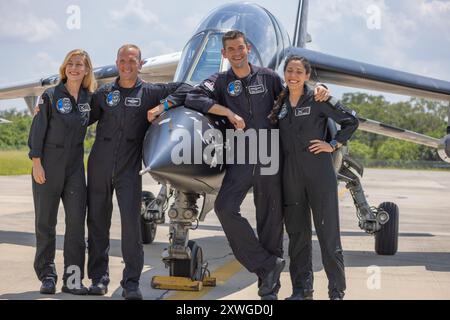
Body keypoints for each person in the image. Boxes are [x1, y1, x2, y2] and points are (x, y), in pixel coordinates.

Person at [185, 30, 330, 300]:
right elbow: (194, 97)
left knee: (270, 225)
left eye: (240, 47)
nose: (237, 53)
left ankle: (268, 290)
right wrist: (226, 111)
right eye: (231, 49)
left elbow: (293, 96)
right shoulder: (220, 81)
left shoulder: (269, 77)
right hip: (240, 156)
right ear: (224, 54)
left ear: (247, 48)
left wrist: (318, 91)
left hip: (269, 156)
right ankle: (267, 265)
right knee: (224, 208)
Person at [86, 44, 192, 300]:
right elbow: (82, 116)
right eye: (122, 60)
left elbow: (186, 88)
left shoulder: (151, 92)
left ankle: (131, 283)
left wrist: (162, 107)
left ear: (140, 64)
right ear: (117, 62)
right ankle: (98, 279)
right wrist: (46, 110)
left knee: (131, 227)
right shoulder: (103, 93)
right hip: (99, 163)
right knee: (97, 223)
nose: (127, 65)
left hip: (128, 168)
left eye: (132, 61)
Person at [269, 55, 359, 300]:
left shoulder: (319, 99)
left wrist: (333, 144)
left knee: (328, 237)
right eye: (289, 71)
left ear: (307, 76)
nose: (293, 76)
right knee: (297, 238)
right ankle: (302, 291)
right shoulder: (280, 103)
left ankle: (336, 292)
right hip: (291, 177)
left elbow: (351, 120)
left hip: (319, 175)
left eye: (299, 72)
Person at [28, 49, 97, 295]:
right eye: (71, 63)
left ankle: (73, 279)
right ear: (64, 67)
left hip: (75, 166)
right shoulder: (50, 96)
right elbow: (38, 130)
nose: (75, 68)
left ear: (87, 70)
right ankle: (47, 276)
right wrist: (36, 162)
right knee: (45, 223)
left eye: (80, 64)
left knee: (76, 223)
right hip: (48, 163)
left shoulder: (90, 99)